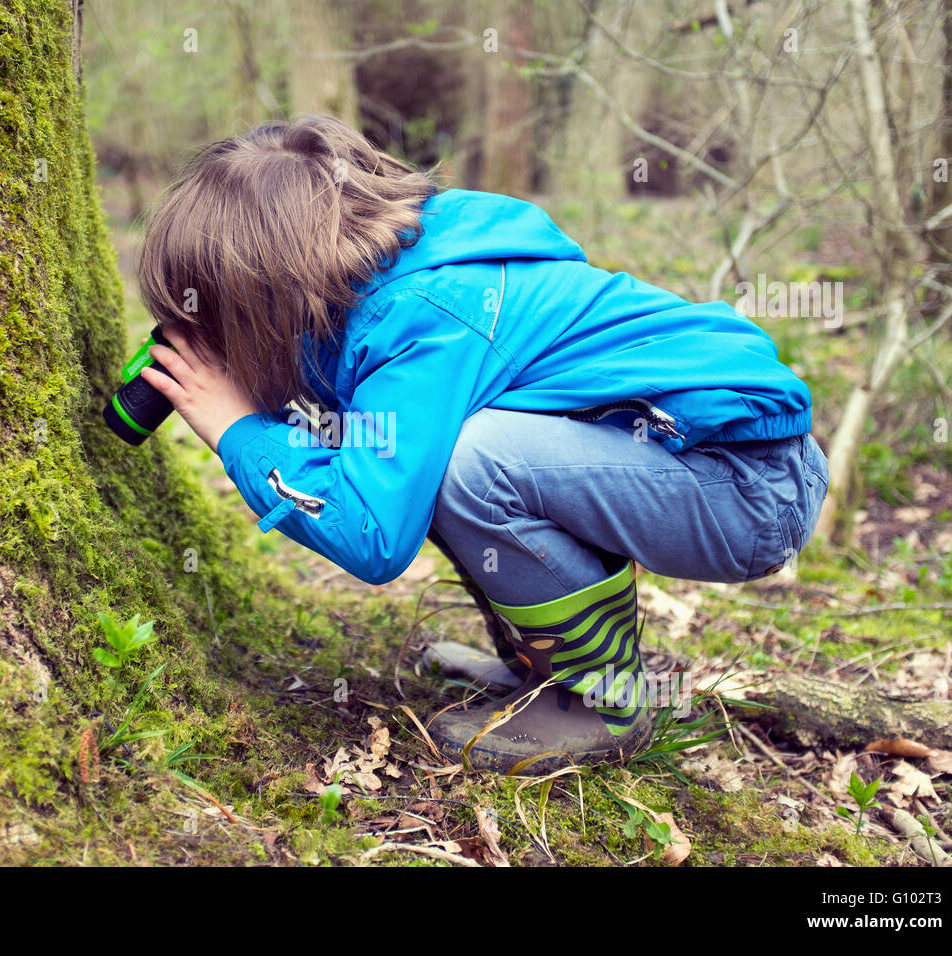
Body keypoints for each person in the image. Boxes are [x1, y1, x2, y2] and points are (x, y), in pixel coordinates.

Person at [135, 114, 830, 774]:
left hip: (747, 486)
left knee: (468, 463)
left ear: (269, 293)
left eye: (224, 315)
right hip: (721, 463)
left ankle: (598, 700)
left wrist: (236, 429)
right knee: (429, 458)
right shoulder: (410, 258)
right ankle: (545, 666)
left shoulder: (425, 313)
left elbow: (373, 533)